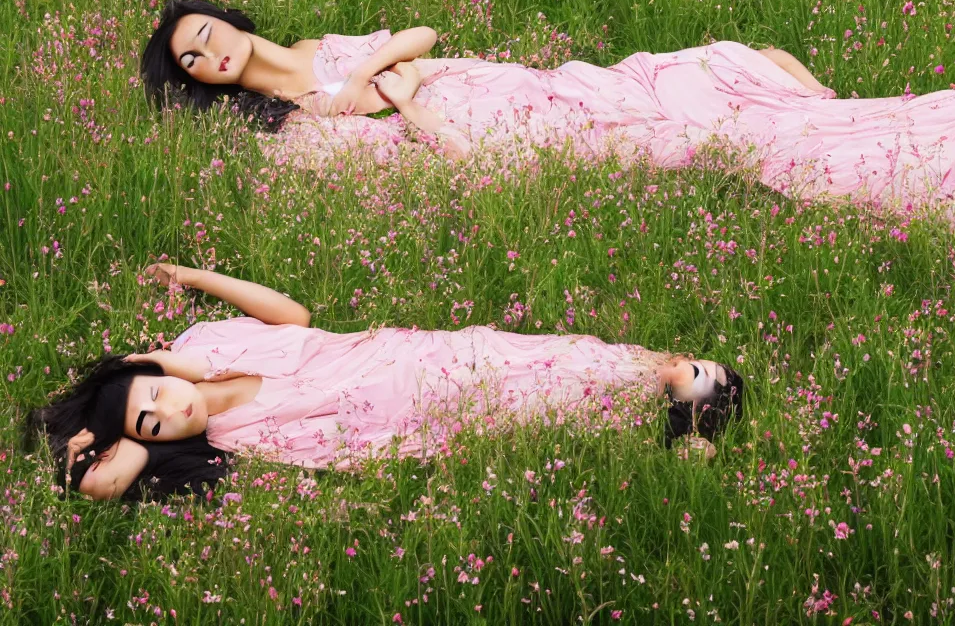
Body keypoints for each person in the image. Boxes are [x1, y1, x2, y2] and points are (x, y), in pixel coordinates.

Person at [140, 0, 955, 221]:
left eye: (207, 33)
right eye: (196, 62)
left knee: (714, 66)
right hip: (478, 127)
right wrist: (383, 95)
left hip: (498, 83)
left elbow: (416, 40)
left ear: (226, 21)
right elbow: (403, 127)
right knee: (719, 126)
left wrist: (376, 73)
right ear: (202, 85)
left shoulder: (323, 50)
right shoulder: (285, 138)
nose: (214, 52)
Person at [28, 264, 744, 501]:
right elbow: (111, 475)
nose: (167, 412)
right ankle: (679, 428)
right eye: (153, 426)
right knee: (546, 411)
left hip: (424, 355)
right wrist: (91, 451)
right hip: (418, 416)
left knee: (559, 358)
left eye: (154, 397)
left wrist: (195, 278)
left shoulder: (207, 346)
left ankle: (682, 384)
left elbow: (293, 313)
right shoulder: (222, 447)